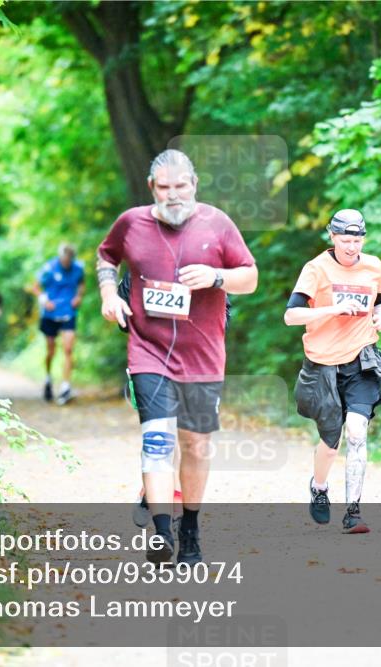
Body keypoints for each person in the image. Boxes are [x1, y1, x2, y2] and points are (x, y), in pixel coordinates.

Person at [96, 148, 258, 565]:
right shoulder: (131, 223)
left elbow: (250, 277)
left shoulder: (217, 223)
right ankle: (162, 533)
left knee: (196, 445)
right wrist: (109, 294)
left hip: (202, 354)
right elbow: (106, 256)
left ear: (194, 185)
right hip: (147, 349)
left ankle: (191, 531)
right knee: (158, 438)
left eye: (181, 186)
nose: (173, 195)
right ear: (152, 187)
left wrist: (217, 276)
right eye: (165, 187)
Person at [285, 209, 381, 534]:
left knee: (357, 432)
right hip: (323, 364)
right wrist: (332, 309)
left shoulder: (374, 266)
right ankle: (319, 487)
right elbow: (291, 316)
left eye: (357, 240)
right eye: (345, 240)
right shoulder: (316, 269)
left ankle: (353, 513)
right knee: (331, 442)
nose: (351, 246)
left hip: (362, 360)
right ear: (332, 237)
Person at [33, 243, 85, 405]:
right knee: (51, 350)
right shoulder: (49, 268)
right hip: (50, 314)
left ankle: (65, 386)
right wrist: (44, 301)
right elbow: (36, 287)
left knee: (68, 349)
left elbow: (81, 284)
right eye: (64, 260)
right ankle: (48, 378)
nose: (66, 263)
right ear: (60, 258)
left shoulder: (78, 268)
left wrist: (78, 296)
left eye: (69, 260)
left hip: (69, 312)